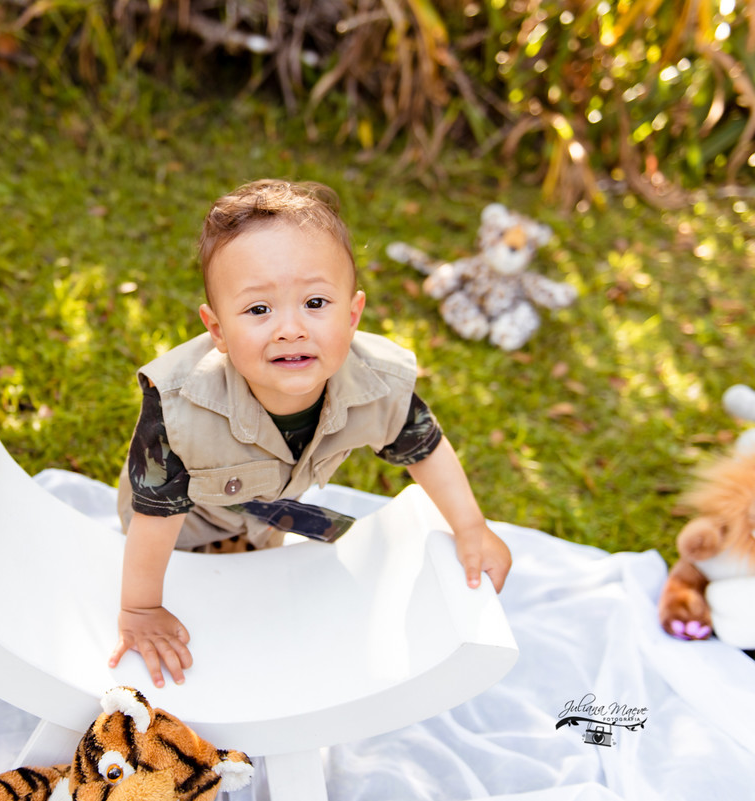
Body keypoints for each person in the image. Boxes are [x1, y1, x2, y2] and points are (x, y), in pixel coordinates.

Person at [108, 179, 512, 688]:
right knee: (213, 646)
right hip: (182, 537)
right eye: (259, 310)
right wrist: (141, 609)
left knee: (283, 630)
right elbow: (154, 522)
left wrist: (470, 526)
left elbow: (424, 446)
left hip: (267, 518)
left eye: (316, 302)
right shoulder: (181, 410)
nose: (290, 328)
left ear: (352, 314)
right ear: (217, 331)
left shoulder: (373, 383)